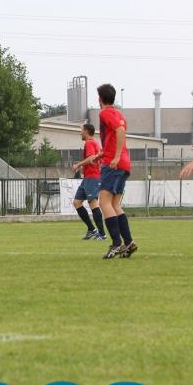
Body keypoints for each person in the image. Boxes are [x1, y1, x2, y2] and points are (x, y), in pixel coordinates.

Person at [96, 84, 136, 259]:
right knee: (115, 204)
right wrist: (105, 153)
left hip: (114, 164)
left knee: (103, 202)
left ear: (100, 99)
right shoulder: (119, 114)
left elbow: (120, 131)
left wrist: (115, 156)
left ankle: (116, 243)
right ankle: (128, 243)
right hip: (124, 164)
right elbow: (116, 133)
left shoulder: (104, 113)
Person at [71, 123, 106, 240]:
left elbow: (91, 158)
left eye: (81, 130)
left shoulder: (90, 143)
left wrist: (78, 165)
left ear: (86, 131)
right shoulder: (94, 143)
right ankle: (91, 229)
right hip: (87, 177)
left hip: (92, 177)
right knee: (77, 202)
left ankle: (102, 233)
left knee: (93, 203)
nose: (80, 132)